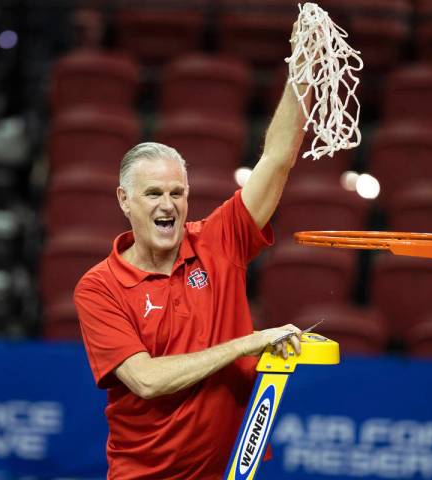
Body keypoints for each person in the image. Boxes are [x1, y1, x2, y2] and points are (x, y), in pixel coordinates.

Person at [73, 24, 312, 480]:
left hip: (231, 471)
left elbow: (277, 159)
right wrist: (249, 342)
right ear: (124, 201)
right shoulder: (99, 287)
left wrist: (301, 69)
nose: (169, 205)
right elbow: (147, 380)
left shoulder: (219, 239)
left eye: (178, 193)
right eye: (154, 194)